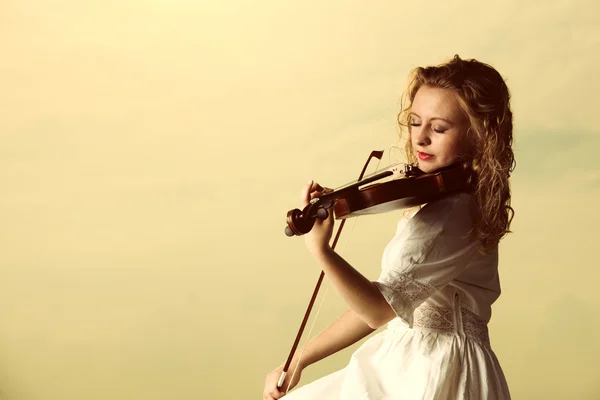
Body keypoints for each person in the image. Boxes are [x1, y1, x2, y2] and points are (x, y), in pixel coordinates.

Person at [263, 55, 515, 400]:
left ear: (479, 136)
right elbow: (387, 305)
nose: (421, 138)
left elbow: (378, 309)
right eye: (415, 122)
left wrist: (321, 251)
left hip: (436, 367)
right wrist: (300, 359)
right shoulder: (453, 202)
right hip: (410, 353)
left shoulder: (450, 215)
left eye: (439, 128)